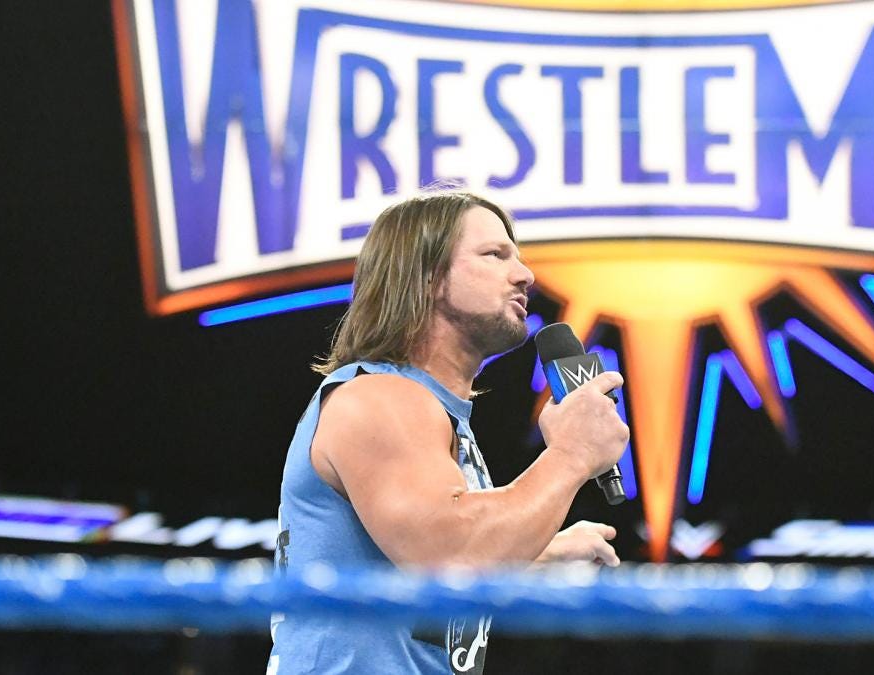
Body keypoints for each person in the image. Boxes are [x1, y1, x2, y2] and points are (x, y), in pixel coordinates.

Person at [267, 191, 630, 675]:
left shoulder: (429, 411)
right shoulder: (378, 398)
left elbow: (419, 559)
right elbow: (448, 556)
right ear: (427, 276)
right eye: (495, 255)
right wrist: (571, 456)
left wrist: (538, 552)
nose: (524, 274)